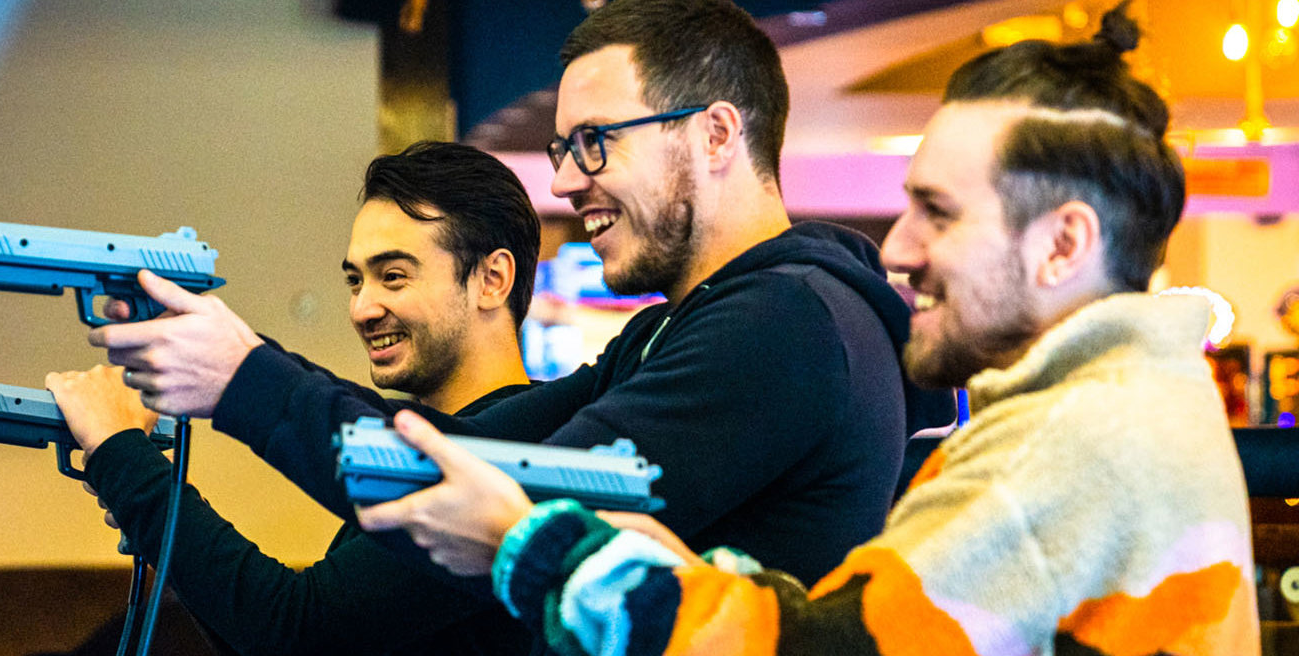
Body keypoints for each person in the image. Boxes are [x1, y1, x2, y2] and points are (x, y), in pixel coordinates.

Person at [360, 7, 1260, 654]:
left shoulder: (1077, 445)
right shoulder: (1136, 404)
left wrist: (525, 544)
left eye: (938, 214)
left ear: (1064, 242)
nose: (900, 251)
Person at [88, 0, 950, 588]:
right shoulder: (686, 327)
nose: (569, 180)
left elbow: (510, 510)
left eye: (595, 143)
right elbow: (470, 452)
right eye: (565, 148)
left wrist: (240, 383)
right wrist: (241, 368)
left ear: (717, 132)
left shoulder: (785, 323)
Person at [46, 142, 543, 655]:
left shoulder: (531, 450)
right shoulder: (411, 449)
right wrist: (148, 508)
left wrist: (121, 455)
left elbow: (296, 630)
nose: (363, 308)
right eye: (356, 281)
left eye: (393, 276)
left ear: (492, 279)